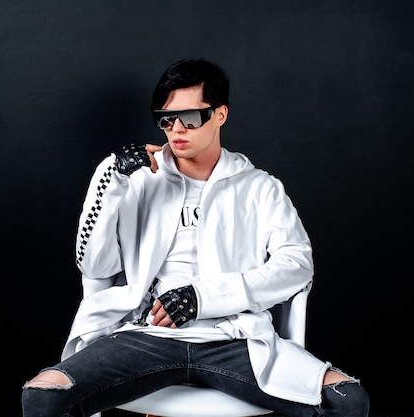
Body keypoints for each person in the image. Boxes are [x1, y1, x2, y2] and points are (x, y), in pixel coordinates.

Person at [21, 58, 370, 417]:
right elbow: (95, 264)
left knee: (346, 401)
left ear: (220, 114)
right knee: (43, 397)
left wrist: (203, 298)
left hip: (234, 338)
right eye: (167, 119)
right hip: (145, 337)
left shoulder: (259, 187)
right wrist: (111, 180)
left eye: (191, 118)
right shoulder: (136, 179)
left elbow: (296, 266)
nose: (176, 129)